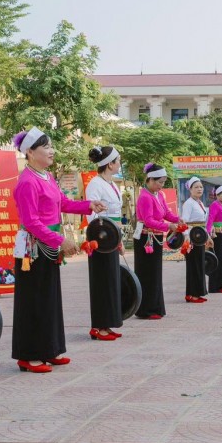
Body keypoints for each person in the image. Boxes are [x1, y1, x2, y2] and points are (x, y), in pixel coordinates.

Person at [10, 127, 102, 374]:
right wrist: (60, 240)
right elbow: (31, 222)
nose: (52, 151)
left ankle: (49, 349)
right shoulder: (27, 182)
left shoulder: (47, 176)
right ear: (30, 152)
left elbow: (64, 203)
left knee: (48, 299)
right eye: (46, 147)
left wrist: (88, 205)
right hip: (34, 247)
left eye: (51, 146)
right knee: (33, 300)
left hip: (47, 245)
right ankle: (28, 355)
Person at [85, 145, 125, 341]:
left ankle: (108, 323)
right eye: (118, 161)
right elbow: (92, 214)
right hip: (100, 239)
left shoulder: (111, 184)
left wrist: (118, 240)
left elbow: (116, 215)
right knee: (101, 282)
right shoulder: (95, 184)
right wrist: (98, 239)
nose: (120, 164)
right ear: (110, 164)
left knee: (111, 281)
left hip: (112, 237)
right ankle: (98, 326)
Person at [134, 163, 182, 319]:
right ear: (150, 180)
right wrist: (169, 226)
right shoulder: (144, 197)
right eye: (160, 182)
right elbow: (148, 221)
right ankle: (145, 309)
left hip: (155, 237)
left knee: (155, 273)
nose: (162, 185)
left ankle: (155, 307)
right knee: (147, 273)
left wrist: (178, 220)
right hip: (145, 238)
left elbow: (166, 213)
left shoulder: (159, 195)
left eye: (163, 182)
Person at [180, 177, 209, 302]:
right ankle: (191, 294)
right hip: (192, 239)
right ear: (190, 189)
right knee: (193, 265)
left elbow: (203, 222)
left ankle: (197, 292)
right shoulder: (188, 203)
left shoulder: (200, 203)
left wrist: (207, 236)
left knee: (199, 265)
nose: (199, 189)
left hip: (200, 238)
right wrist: (187, 238)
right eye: (196, 187)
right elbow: (184, 221)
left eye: (201, 187)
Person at [207, 185, 222, 293]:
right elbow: (210, 219)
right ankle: (214, 286)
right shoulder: (215, 205)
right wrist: (208, 234)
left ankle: (220, 284)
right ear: (216, 195)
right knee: (217, 260)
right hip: (217, 235)